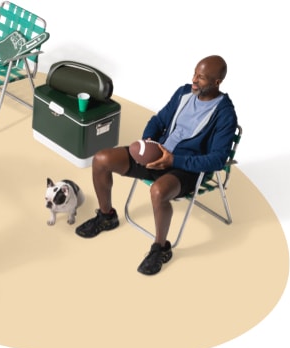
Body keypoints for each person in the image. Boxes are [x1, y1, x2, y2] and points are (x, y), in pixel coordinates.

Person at [75, 55, 238, 275]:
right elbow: (158, 121)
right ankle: (106, 216)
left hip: (186, 168)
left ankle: (161, 248)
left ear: (217, 82)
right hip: (157, 154)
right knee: (101, 159)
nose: (194, 80)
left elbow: (218, 159)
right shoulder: (183, 93)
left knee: (158, 191)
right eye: (194, 74)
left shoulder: (225, 114)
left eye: (201, 78)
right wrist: (148, 143)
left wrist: (173, 160)